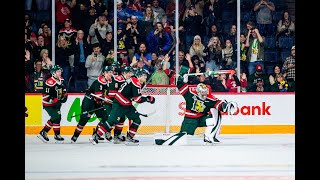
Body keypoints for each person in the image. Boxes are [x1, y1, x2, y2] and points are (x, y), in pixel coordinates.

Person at [156, 73, 238, 145]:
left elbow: (219, 104)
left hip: (202, 119)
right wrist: (181, 78)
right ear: (197, 92)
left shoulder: (209, 99)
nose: (204, 94)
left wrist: (227, 106)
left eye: (205, 92)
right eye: (202, 93)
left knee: (216, 115)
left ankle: (209, 137)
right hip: (189, 120)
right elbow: (179, 83)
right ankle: (165, 140)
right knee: (183, 137)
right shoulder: (189, 94)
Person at [90, 69, 156, 145]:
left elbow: (133, 95)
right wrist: (148, 99)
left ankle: (129, 138)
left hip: (127, 104)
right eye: (144, 75)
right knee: (111, 121)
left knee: (136, 119)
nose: (146, 77)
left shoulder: (133, 80)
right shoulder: (135, 82)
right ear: (139, 76)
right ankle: (96, 136)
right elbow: (138, 99)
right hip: (119, 105)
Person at [70, 66, 114, 143]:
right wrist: (107, 100)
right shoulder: (99, 82)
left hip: (98, 102)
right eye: (108, 72)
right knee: (84, 119)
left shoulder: (109, 81)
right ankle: (75, 136)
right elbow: (99, 97)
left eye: (111, 72)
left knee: (105, 118)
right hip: (89, 102)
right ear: (104, 73)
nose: (110, 74)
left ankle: (96, 134)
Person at [37, 65, 68, 143]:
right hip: (48, 104)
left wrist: (64, 95)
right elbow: (45, 97)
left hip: (56, 103)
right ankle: (57, 135)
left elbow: (63, 89)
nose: (60, 73)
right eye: (58, 71)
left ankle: (43, 132)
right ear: (53, 73)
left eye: (60, 71)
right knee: (56, 117)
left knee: (56, 117)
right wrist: (54, 100)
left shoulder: (61, 80)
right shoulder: (49, 82)